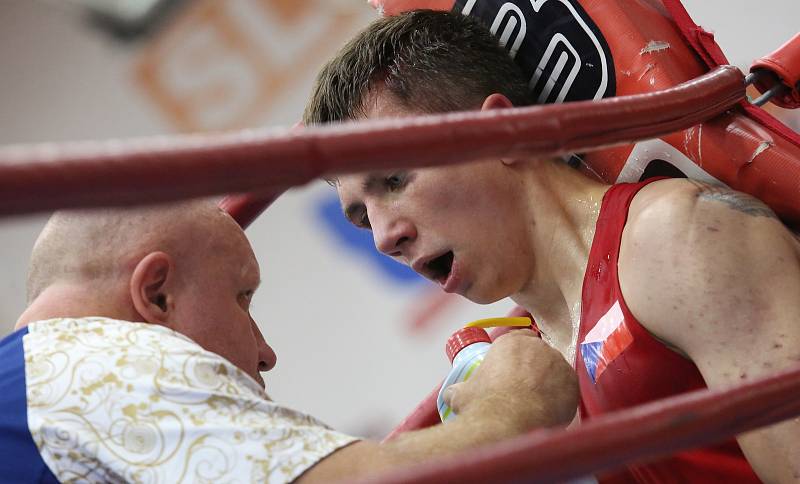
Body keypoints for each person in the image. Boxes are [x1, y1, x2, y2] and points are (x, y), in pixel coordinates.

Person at [303, 9, 800, 483]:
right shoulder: (523, 368)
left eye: (394, 179)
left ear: (500, 134)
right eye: (362, 218)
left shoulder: (673, 237)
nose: (386, 236)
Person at [0, 200, 578, 483]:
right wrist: (513, 406)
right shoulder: (93, 364)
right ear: (156, 294)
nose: (265, 352)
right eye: (242, 299)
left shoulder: (39, 397)